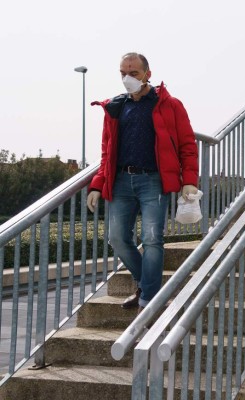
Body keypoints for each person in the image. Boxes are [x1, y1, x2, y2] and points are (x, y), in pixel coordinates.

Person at [86, 52, 199, 310]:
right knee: (116, 238)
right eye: (123, 73)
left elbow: (187, 146)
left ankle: (148, 299)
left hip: (153, 181)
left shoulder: (170, 105)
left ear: (148, 74)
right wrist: (97, 183)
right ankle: (146, 285)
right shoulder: (115, 107)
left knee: (151, 239)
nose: (127, 78)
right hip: (121, 181)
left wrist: (189, 180)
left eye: (133, 73)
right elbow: (107, 152)